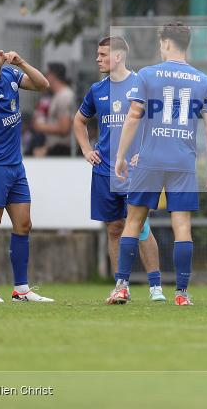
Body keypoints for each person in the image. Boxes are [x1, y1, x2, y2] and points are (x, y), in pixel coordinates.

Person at [113, 22, 207, 306]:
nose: (160, 47)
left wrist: (121, 156)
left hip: (150, 158)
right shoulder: (203, 80)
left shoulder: (147, 74)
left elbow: (134, 116)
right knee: (182, 226)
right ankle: (182, 294)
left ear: (167, 43)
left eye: (161, 43)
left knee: (134, 221)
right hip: (183, 160)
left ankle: (122, 287)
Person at [73, 36, 166, 303]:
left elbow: (155, 124)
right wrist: (86, 149)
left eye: (103, 54)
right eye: (98, 54)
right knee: (114, 227)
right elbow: (79, 121)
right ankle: (121, 285)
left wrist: (145, 154)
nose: (97, 59)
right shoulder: (97, 89)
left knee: (141, 226)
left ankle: (155, 287)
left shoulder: (141, 85)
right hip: (105, 170)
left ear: (118, 56)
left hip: (136, 171)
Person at [0, 45, 54, 303]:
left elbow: (43, 84)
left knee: (24, 225)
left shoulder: (9, 75)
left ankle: (21, 290)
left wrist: (22, 62)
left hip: (16, 165)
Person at [32, 63, 75, 156]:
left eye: (46, 75)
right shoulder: (56, 95)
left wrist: (40, 127)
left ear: (51, 76)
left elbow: (64, 128)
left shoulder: (64, 96)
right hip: (54, 149)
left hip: (61, 150)